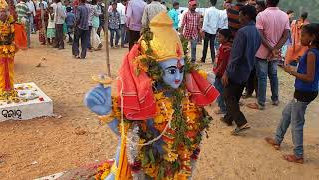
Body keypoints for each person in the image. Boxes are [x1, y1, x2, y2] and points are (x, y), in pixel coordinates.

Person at [85, 12, 219, 179]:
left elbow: (193, 137)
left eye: (181, 69)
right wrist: (106, 112)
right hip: (148, 169)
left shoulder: (188, 95)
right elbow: (130, 137)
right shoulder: (144, 98)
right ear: (152, 69)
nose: (178, 77)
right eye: (171, 71)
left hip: (176, 168)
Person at [265, 23, 319, 164]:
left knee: (296, 123)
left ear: (313, 37)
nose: (300, 38)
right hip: (304, 91)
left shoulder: (312, 53)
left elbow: (309, 77)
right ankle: (277, 139)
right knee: (287, 114)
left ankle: (298, 155)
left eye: (303, 35)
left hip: (304, 92)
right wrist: (292, 67)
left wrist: (291, 72)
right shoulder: (312, 51)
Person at [221, 5, 261, 135]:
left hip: (237, 70)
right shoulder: (256, 32)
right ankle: (228, 118)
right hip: (247, 68)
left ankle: (241, 122)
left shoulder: (242, 32)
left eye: (240, 14)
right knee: (236, 95)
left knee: (227, 95)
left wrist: (227, 72)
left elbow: (236, 56)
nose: (238, 17)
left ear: (246, 16)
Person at [247, 0, 290, 110]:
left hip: (261, 52)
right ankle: (275, 99)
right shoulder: (285, 16)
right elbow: (285, 36)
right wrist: (275, 50)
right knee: (274, 75)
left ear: (266, 2)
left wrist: (271, 49)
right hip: (276, 53)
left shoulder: (261, 15)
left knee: (262, 77)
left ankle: (261, 103)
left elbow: (260, 36)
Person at [0, 0, 18, 98]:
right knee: (1, 68)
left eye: (5, 11)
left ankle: (10, 88)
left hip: (10, 49)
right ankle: (2, 88)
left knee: (10, 68)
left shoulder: (11, 22)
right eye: (1, 11)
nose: (3, 13)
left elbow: (15, 35)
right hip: (0, 49)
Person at [213, 29, 233, 115]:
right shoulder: (223, 46)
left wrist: (217, 71)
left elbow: (223, 62)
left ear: (226, 38)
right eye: (217, 36)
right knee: (221, 90)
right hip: (220, 72)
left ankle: (223, 108)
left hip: (221, 74)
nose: (218, 38)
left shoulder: (226, 48)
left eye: (220, 36)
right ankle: (224, 107)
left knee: (219, 91)